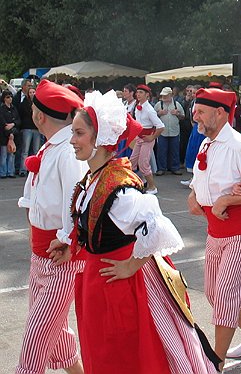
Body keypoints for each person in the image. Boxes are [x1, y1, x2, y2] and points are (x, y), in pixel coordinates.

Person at [53, 89, 217, 374]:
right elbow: (94, 223)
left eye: (79, 133)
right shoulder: (95, 177)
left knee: (123, 357)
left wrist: (132, 265)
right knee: (102, 353)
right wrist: (72, 244)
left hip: (118, 286)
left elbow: (157, 228)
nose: (72, 140)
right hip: (98, 280)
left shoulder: (120, 187)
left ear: (100, 138)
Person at [187, 87, 241, 371]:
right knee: (214, 293)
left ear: (220, 113)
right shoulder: (206, 144)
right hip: (216, 229)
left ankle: (216, 361)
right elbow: (200, 180)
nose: (195, 115)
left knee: (225, 295)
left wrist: (226, 199)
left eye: (200, 111)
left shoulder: (240, 145)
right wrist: (193, 195)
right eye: (195, 110)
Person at [16, 79, 88, 374]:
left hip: (61, 258)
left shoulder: (66, 152)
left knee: (35, 340)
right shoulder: (50, 149)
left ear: (39, 116)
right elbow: (33, 202)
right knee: (55, 334)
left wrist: (70, 243)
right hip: (41, 254)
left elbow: (80, 205)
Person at [129, 84, 164, 194]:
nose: (138, 94)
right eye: (137, 92)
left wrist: (152, 137)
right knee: (132, 161)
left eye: (141, 92)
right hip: (139, 138)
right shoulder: (137, 106)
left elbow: (161, 126)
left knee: (143, 163)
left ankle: (152, 187)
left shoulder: (149, 110)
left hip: (147, 139)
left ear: (147, 95)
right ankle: (141, 181)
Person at [154, 86, 184, 176]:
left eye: (166, 95)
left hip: (174, 131)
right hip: (162, 131)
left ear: (170, 95)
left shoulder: (177, 104)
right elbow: (152, 117)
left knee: (174, 150)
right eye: (163, 95)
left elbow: (183, 116)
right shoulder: (158, 105)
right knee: (161, 150)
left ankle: (175, 167)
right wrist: (158, 114)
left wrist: (178, 113)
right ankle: (161, 168)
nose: (164, 97)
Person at [18, 85, 42, 176]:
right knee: (25, 150)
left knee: (36, 150)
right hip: (27, 127)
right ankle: (23, 170)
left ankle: (34, 169)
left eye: (33, 92)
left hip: (36, 128)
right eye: (30, 92)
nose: (32, 94)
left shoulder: (38, 103)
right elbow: (23, 114)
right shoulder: (24, 103)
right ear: (28, 94)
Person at [0, 90, 20, 178]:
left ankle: (10, 172)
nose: (10, 99)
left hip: (13, 133)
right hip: (4, 135)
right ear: (4, 98)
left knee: (11, 154)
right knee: (4, 154)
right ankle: (3, 172)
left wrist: (13, 124)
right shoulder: (1, 109)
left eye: (11, 97)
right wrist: (8, 132)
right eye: (8, 97)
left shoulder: (14, 108)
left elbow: (18, 120)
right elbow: (2, 122)